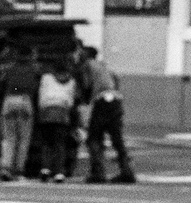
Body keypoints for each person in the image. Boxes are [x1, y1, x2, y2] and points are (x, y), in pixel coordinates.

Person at [82, 46, 134, 183]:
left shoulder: (87, 65)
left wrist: (85, 101)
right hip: (115, 99)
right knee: (116, 137)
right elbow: (116, 80)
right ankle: (126, 170)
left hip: (101, 100)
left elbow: (86, 85)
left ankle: (97, 171)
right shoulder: (104, 66)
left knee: (93, 137)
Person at [0, 44, 41, 182]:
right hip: (25, 101)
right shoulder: (35, 70)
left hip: (9, 100)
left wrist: (13, 88)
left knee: (9, 138)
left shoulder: (8, 69)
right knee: (23, 139)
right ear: (30, 55)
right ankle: (19, 170)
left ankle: (6, 168)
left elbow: (0, 84)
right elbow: (37, 87)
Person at [37, 58, 78, 183]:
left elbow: (41, 94)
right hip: (62, 113)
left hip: (46, 111)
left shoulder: (46, 78)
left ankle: (45, 169)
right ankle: (59, 172)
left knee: (46, 143)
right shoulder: (71, 81)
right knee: (59, 144)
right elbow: (71, 101)